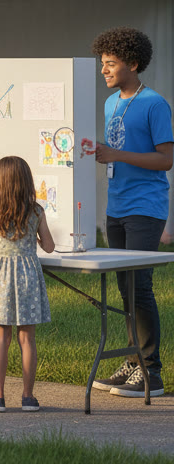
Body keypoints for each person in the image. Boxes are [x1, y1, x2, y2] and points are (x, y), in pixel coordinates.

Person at [91, 27, 172, 399]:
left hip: (145, 207)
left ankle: (151, 372)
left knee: (139, 287)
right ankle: (132, 361)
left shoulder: (155, 103)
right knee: (123, 287)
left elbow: (166, 159)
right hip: (117, 205)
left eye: (111, 64)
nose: (104, 70)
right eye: (102, 63)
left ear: (133, 64)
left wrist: (117, 154)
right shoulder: (111, 103)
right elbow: (118, 148)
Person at [0, 156, 55, 412]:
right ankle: (28, 397)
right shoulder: (36, 211)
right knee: (27, 338)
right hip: (28, 274)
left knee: (1, 338)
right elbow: (50, 247)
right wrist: (38, 239)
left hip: (0, 276)